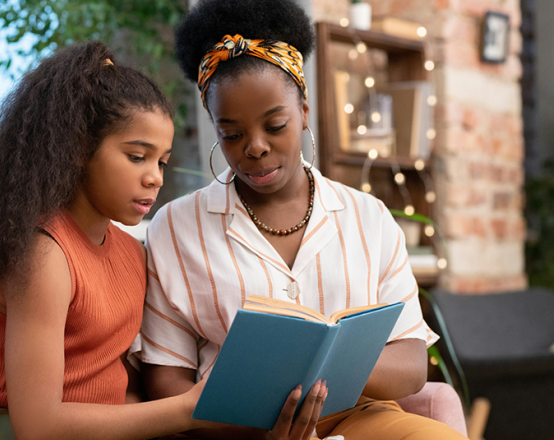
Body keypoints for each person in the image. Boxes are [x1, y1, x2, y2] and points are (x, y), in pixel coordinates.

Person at [0, 40, 327, 440]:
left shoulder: (131, 252)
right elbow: (37, 425)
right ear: (77, 148)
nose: (155, 178)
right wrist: (188, 409)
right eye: (137, 156)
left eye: (161, 161)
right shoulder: (44, 253)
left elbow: (115, 391)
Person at [132, 1, 468, 439]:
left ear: (304, 110)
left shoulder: (368, 217)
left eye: (275, 125)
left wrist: (321, 363)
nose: (254, 147)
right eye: (231, 134)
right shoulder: (176, 227)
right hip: (238, 430)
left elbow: (410, 363)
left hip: (361, 418)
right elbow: (165, 381)